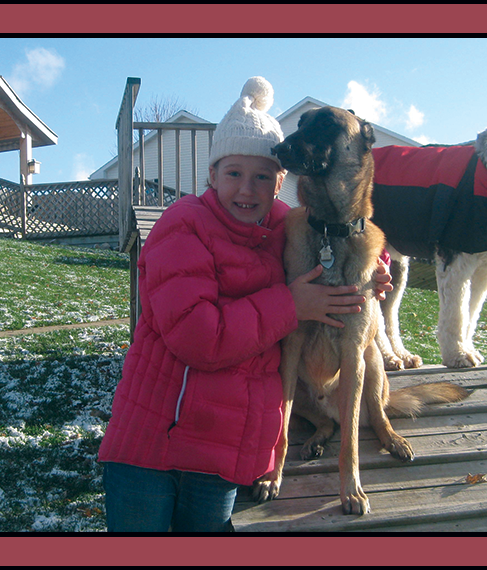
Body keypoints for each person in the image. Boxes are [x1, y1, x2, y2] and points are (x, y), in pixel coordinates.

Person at [97, 77, 390, 532]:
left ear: (279, 184)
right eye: (233, 174)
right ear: (211, 175)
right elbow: (198, 337)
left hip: (223, 454)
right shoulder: (182, 225)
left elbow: (346, 227)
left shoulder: (283, 225)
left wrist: (376, 264)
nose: (247, 190)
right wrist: (290, 306)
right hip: (154, 446)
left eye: (261, 177)